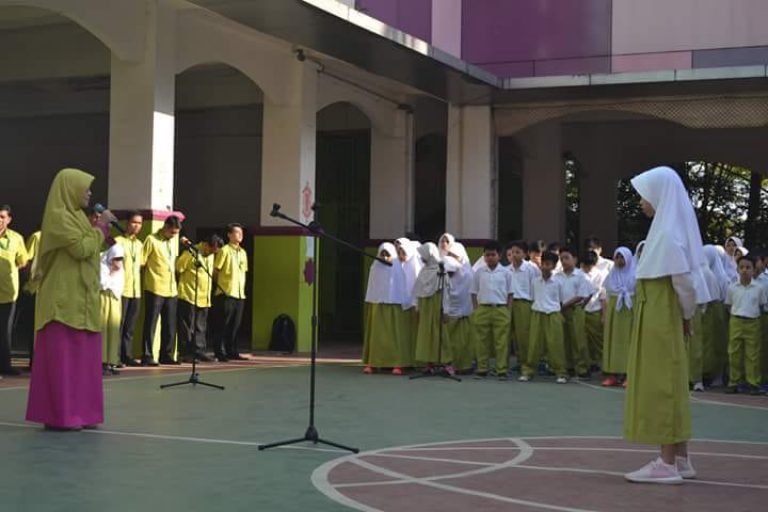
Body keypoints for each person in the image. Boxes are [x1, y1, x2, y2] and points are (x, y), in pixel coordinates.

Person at [623, 166, 701, 485]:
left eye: (645, 194)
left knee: (662, 384)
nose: (641, 201)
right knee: (670, 380)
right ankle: (680, 457)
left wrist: (684, 315)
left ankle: (666, 463)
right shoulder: (663, 231)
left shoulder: (667, 235)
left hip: (662, 317)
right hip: (659, 315)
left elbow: (684, 284)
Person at [26, 168, 115, 430]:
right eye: (85, 188)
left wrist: (99, 232)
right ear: (70, 189)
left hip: (83, 298)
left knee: (84, 362)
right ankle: (61, 416)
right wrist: (100, 228)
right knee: (63, 362)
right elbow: (81, 249)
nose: (89, 193)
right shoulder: (58, 217)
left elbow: (91, 245)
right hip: (62, 300)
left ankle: (84, 413)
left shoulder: (78, 217)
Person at [519, 251, 567, 383]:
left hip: (553, 314)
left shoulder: (558, 282)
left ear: (553, 266)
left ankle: (560, 372)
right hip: (537, 313)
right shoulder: (535, 281)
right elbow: (533, 297)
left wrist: (559, 314)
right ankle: (528, 371)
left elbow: (561, 301)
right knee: (533, 343)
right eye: (543, 264)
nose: (545, 267)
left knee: (555, 344)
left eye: (548, 264)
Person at [141, 215, 181, 366]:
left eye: (176, 233)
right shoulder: (151, 240)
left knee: (170, 324)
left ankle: (166, 354)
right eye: (171, 232)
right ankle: (147, 355)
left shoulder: (173, 241)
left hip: (171, 288)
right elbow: (142, 262)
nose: (173, 235)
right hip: (155, 286)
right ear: (165, 227)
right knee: (151, 323)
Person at [362, 242, 408, 375]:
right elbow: (372, 289)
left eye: (388, 255)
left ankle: (397, 364)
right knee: (376, 336)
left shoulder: (397, 269)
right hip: (377, 307)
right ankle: (373, 363)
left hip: (393, 308)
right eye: (382, 254)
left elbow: (401, 289)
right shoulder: (375, 268)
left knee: (394, 337)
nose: (385, 258)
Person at [724, 255, 766, 395]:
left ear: (754, 270)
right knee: (734, 352)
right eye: (741, 267)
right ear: (737, 269)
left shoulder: (759, 288)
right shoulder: (732, 287)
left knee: (752, 354)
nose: (744, 270)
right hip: (736, 320)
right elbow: (729, 305)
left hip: (753, 321)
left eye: (748, 267)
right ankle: (734, 382)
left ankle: (753, 382)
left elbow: (761, 305)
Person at [177, 235, 223, 363]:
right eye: (211, 250)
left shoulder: (210, 256)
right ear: (205, 244)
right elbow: (178, 268)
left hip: (204, 296)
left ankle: (199, 351)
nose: (212, 253)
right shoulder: (191, 253)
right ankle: (186, 353)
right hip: (189, 294)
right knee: (187, 326)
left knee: (200, 327)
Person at [470, 241, 513, 380]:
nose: (489, 258)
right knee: (481, 341)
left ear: (499, 256)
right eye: (487, 255)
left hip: (500, 308)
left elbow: (510, 293)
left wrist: (507, 310)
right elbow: (473, 292)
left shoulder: (506, 273)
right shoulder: (479, 272)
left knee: (501, 342)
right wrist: (476, 309)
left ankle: (501, 370)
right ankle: (482, 368)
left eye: (492, 255)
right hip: (483, 308)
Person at [0, 204, 29, 375]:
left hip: (8, 294)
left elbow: (23, 262)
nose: (0, 220)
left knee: (5, 332)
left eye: (3, 217)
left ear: (9, 219)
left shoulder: (16, 238)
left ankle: (4, 365)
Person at [213, 223, 248, 361]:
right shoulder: (224, 251)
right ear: (229, 234)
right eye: (237, 232)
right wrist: (221, 286)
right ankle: (219, 351)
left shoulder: (243, 252)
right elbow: (216, 271)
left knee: (235, 325)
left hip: (239, 293)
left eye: (241, 232)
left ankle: (232, 350)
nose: (240, 235)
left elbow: (243, 272)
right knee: (223, 324)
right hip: (226, 292)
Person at [556, 247, 593, 379]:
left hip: (574, 309)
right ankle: (568, 366)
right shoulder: (557, 276)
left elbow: (582, 295)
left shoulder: (580, 275)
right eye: (561, 259)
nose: (564, 261)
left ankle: (582, 368)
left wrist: (566, 305)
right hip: (561, 310)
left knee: (578, 339)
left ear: (575, 259)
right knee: (565, 339)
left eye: (567, 258)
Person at [602, 247, 635, 387]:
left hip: (629, 312)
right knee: (613, 342)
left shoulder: (635, 275)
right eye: (617, 257)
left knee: (629, 342)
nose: (619, 261)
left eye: (622, 257)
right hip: (614, 312)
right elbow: (606, 295)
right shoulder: (611, 275)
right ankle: (612, 374)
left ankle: (629, 375)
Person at [413, 242, 450, 369]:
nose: (422, 258)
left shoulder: (440, 271)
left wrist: (446, 310)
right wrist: (417, 308)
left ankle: (444, 362)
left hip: (436, 306)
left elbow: (445, 293)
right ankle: (429, 363)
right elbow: (418, 291)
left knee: (438, 333)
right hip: (425, 307)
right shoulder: (423, 271)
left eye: (423, 255)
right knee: (426, 335)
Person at [506, 240, 540, 372]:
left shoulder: (531, 269)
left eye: (517, 252)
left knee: (523, 335)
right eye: (512, 252)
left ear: (525, 254)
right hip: (509, 302)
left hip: (525, 303)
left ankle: (526, 364)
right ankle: (505, 365)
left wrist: (534, 303)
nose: (514, 255)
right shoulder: (506, 269)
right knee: (507, 334)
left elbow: (536, 286)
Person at [115, 211, 143, 367]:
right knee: (119, 324)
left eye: (139, 223)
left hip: (135, 289)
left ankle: (127, 355)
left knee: (130, 326)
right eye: (134, 222)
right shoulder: (118, 241)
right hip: (122, 289)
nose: (136, 226)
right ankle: (116, 355)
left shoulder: (139, 245)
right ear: (127, 223)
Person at [443, 242, 475, 374]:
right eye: (450, 254)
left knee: (462, 342)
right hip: (447, 314)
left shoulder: (468, 274)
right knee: (448, 341)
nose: (452, 258)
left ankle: (463, 365)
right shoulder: (444, 272)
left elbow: (468, 295)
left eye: (455, 256)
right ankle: (446, 364)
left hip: (463, 315)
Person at [701, 245, 729, 386]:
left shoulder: (720, 276)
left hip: (716, 311)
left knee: (716, 343)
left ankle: (715, 375)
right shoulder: (705, 273)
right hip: (708, 311)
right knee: (707, 343)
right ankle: (706, 373)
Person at [396, 238, 421, 368]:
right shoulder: (397, 265)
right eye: (398, 253)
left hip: (413, 306)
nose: (401, 256)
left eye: (403, 253)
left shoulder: (415, 266)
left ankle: (415, 361)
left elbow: (417, 287)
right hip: (400, 306)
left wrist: (415, 303)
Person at [581, 250, 608, 372]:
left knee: (598, 340)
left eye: (589, 266)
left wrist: (604, 314)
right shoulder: (578, 274)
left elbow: (603, 296)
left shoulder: (600, 275)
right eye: (584, 265)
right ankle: (588, 363)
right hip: (581, 311)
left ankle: (605, 364)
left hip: (595, 309)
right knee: (583, 339)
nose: (586, 268)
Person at [100, 243, 124, 375]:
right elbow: (102, 283)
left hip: (115, 298)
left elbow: (119, 283)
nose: (119, 262)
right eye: (116, 259)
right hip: (103, 296)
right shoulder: (101, 265)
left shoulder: (120, 270)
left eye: (121, 259)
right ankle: (101, 361)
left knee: (114, 329)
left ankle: (111, 361)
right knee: (103, 328)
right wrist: (111, 274)